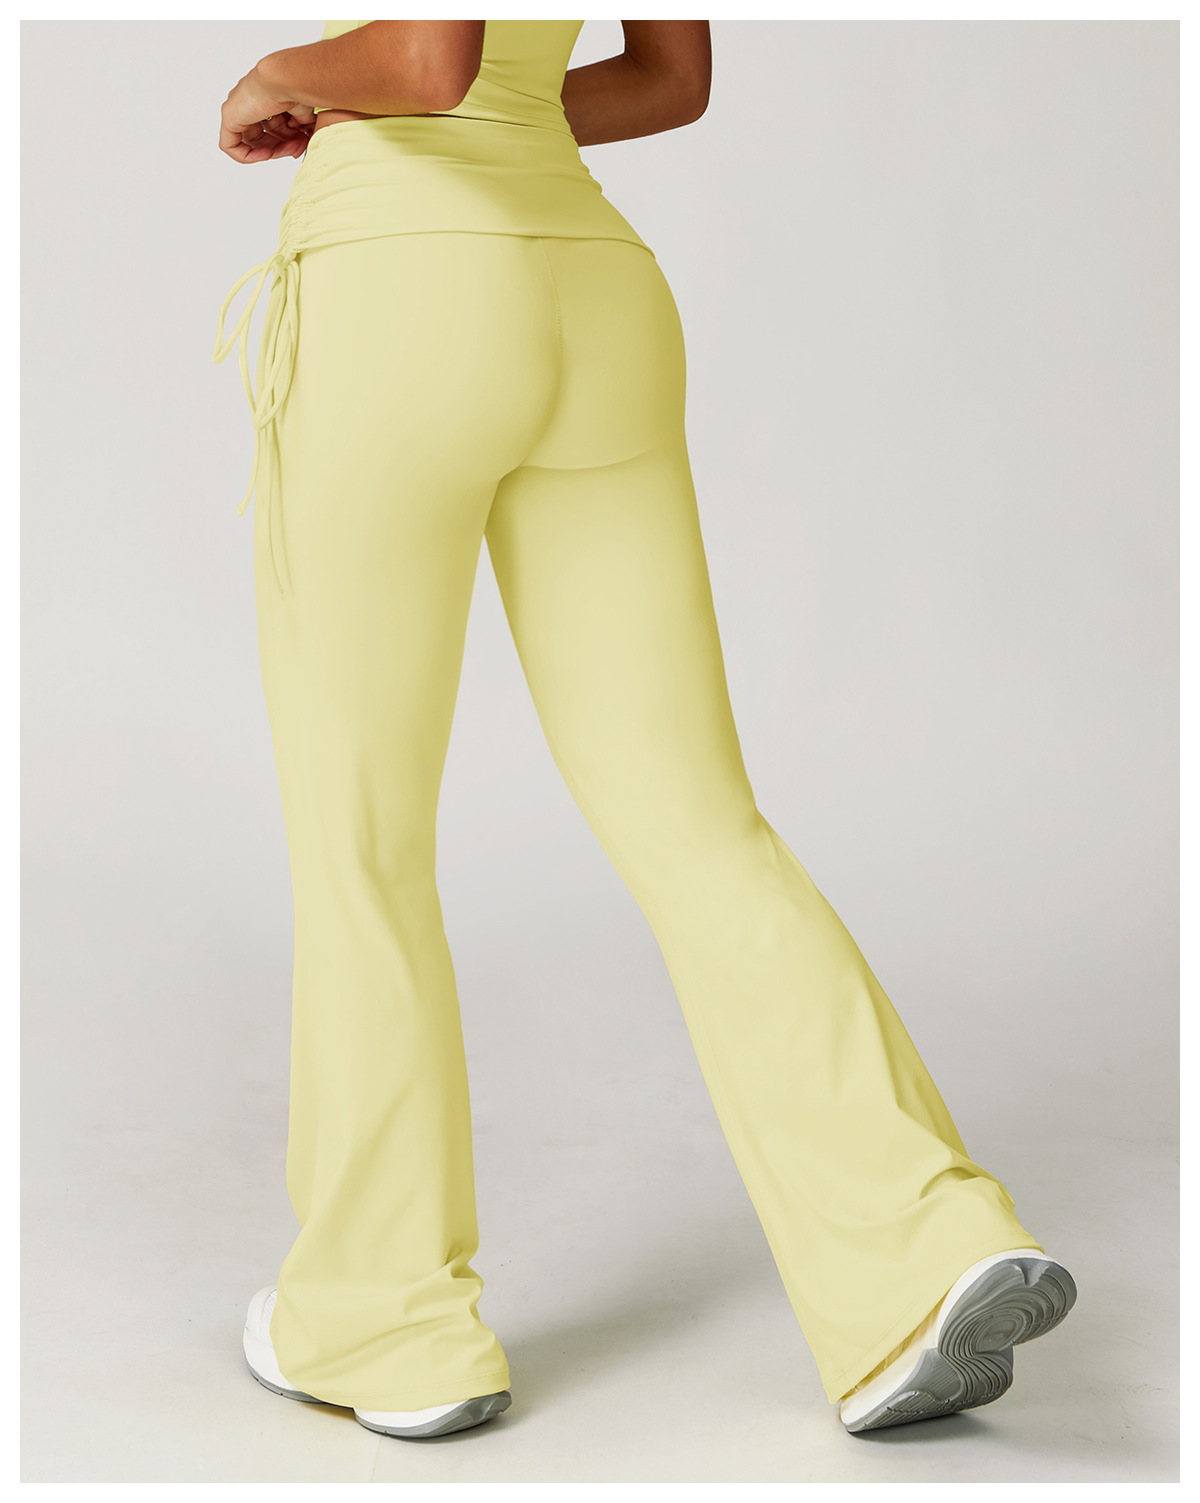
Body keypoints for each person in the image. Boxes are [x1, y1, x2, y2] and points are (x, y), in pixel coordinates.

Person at [214, 19, 1076, 1442]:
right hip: (594, 297)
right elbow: (671, 80)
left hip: (398, 290)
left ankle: (388, 1323)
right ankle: (923, 1250)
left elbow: (426, 63)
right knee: (699, 822)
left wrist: (275, 79)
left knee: (362, 838)